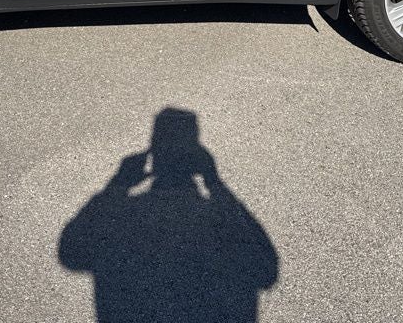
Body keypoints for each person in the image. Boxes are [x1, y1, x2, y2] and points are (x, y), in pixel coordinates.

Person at [59, 108, 278, 322]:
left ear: (153, 155)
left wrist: (117, 185)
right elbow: (266, 267)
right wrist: (215, 183)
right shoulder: (218, 220)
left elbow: (70, 251)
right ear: (198, 161)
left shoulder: (122, 217)